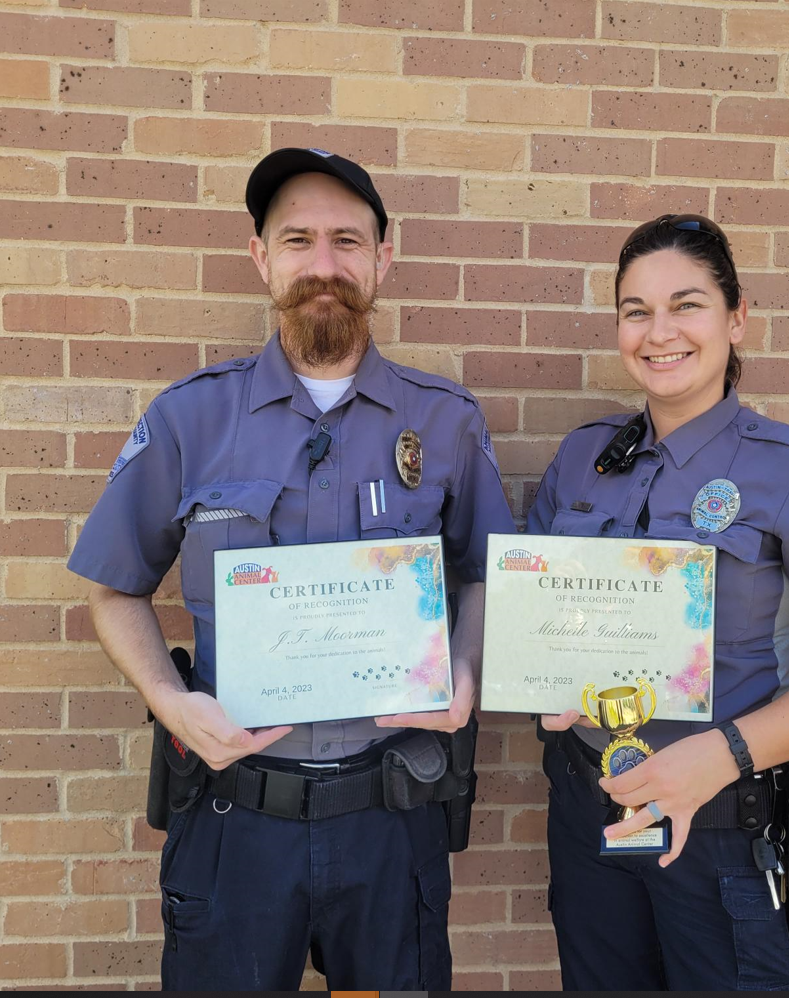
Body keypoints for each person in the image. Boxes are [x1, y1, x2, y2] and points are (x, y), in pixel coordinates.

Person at [67, 148, 515, 991]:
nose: (323, 265)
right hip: (238, 820)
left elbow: (484, 572)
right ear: (259, 257)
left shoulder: (445, 422)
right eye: (297, 239)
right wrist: (170, 701)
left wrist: (461, 672)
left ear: (383, 258)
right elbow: (114, 587)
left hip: (391, 818)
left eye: (347, 241)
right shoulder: (190, 417)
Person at [527, 214, 789, 991]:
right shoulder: (582, 459)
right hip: (591, 812)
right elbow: (539, 611)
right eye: (635, 311)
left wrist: (719, 756)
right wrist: (536, 678)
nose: (658, 332)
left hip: (727, 833)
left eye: (686, 305)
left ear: (736, 318)